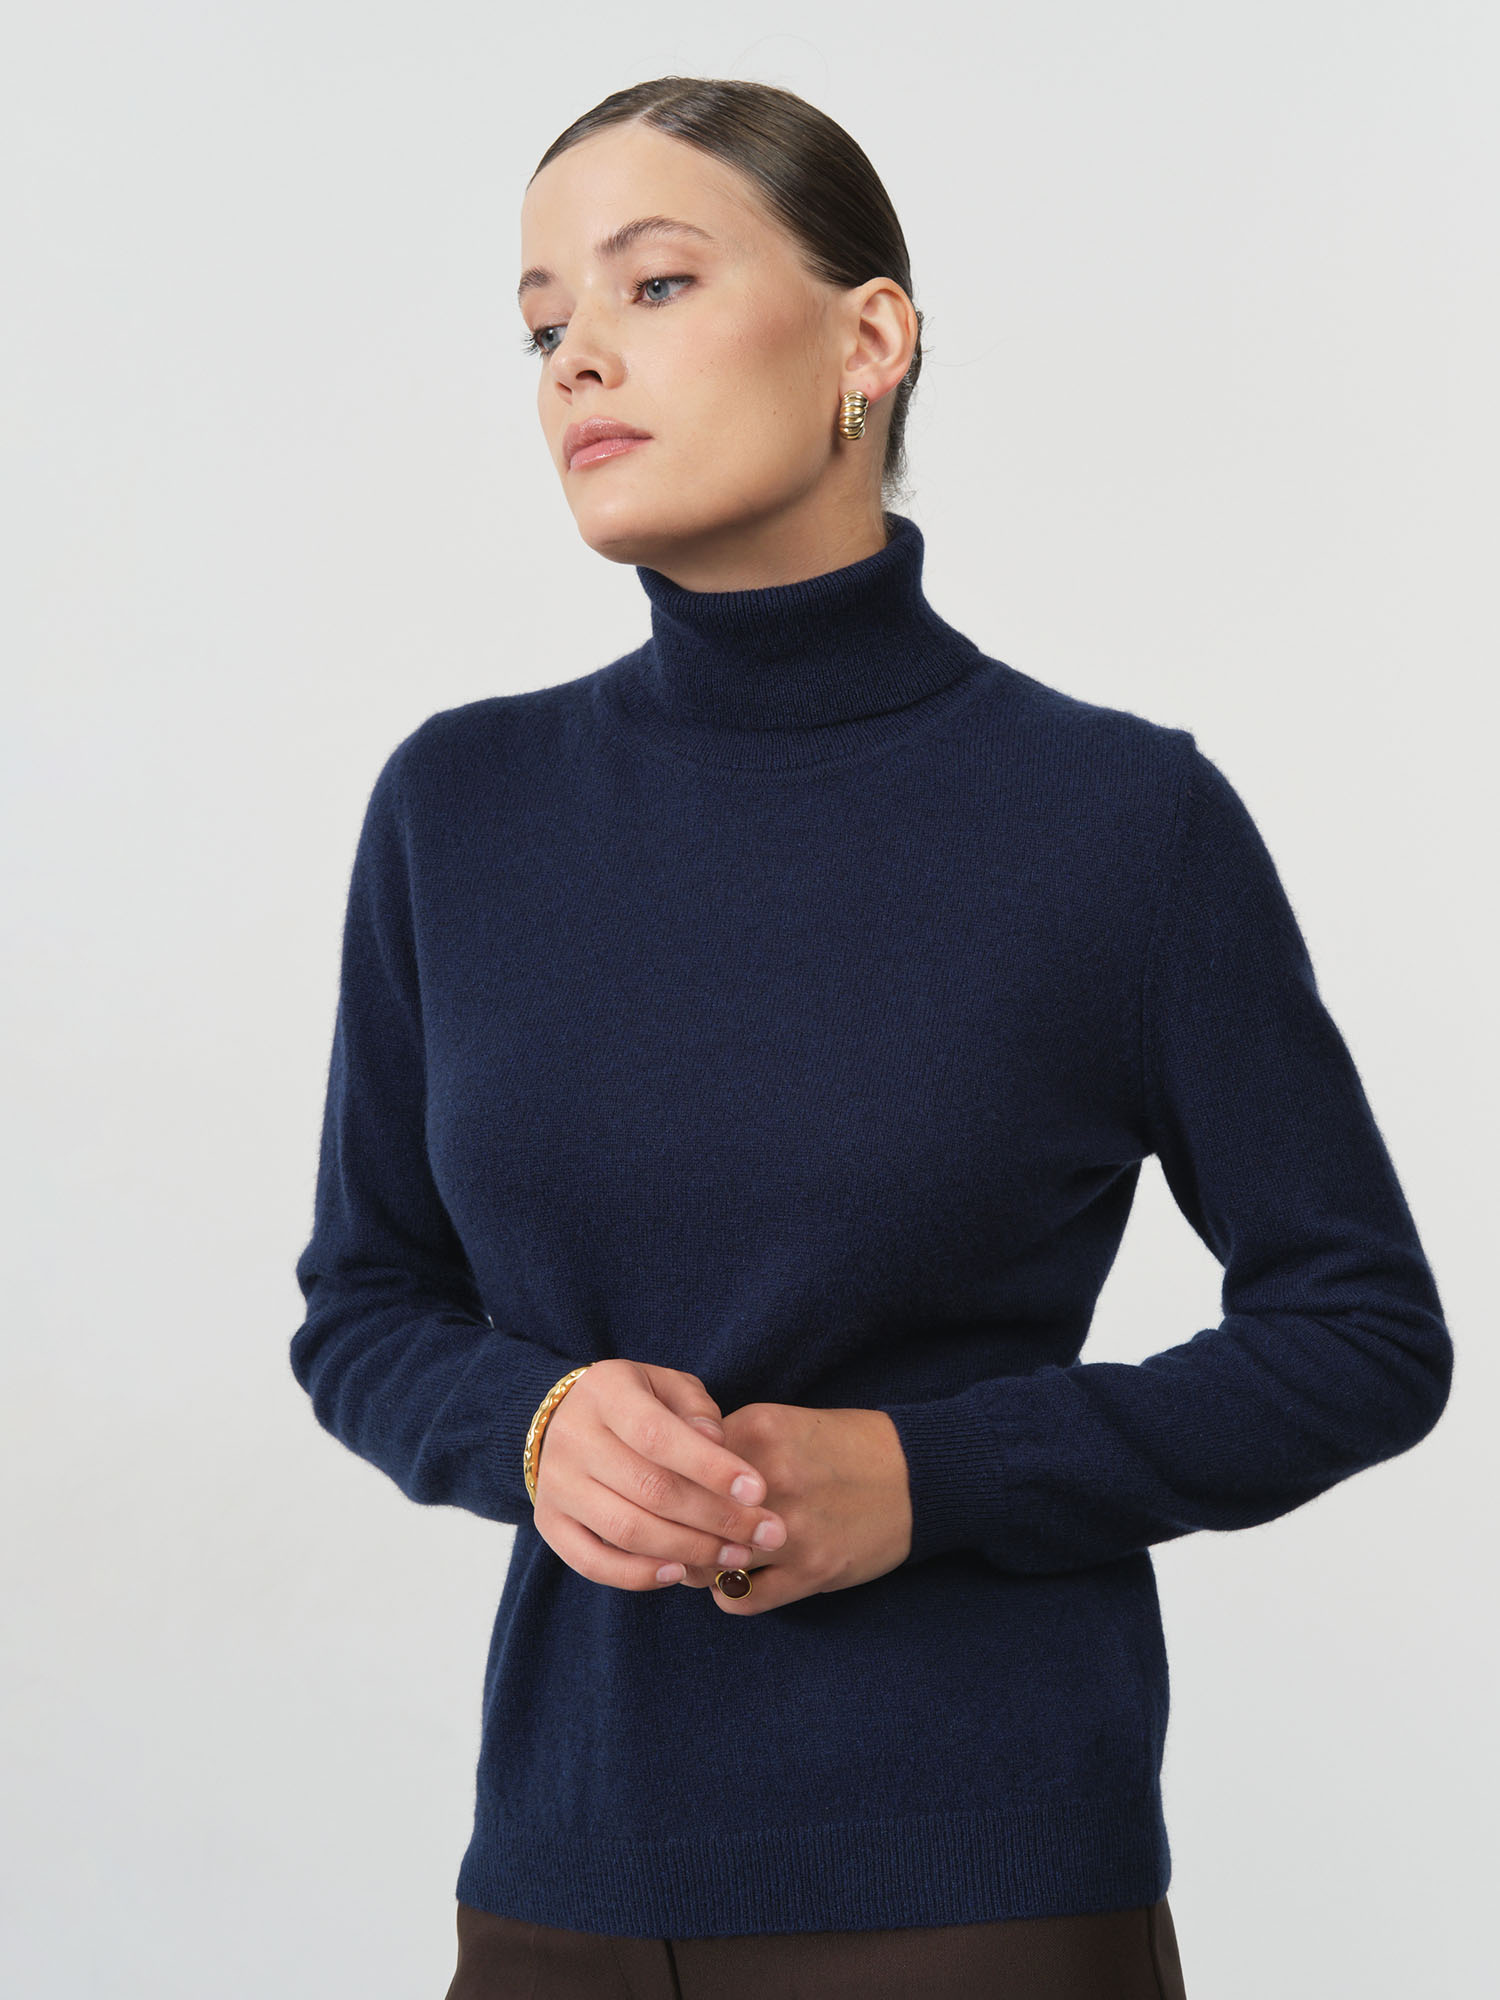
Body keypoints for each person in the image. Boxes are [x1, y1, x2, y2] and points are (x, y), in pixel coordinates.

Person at [288, 75, 1452, 2000]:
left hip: (978, 1892)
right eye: (541, 324)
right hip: (563, 1888)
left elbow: (1362, 1332)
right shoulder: (459, 808)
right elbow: (365, 1304)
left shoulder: (1120, 822)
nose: (578, 357)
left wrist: (935, 1477)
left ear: (871, 337)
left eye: (655, 283)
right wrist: (535, 1426)